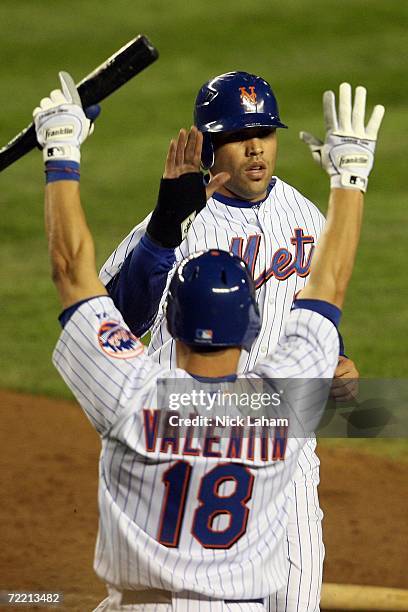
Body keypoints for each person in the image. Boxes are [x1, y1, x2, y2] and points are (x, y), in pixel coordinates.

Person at [33, 72, 383, 612]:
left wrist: (338, 362)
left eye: (265, 133)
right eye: (239, 135)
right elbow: (124, 315)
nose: (255, 147)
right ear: (207, 144)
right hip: (182, 429)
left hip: (278, 442)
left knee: (292, 601)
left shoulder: (307, 217)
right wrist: (163, 233)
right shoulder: (176, 220)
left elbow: (85, 305)